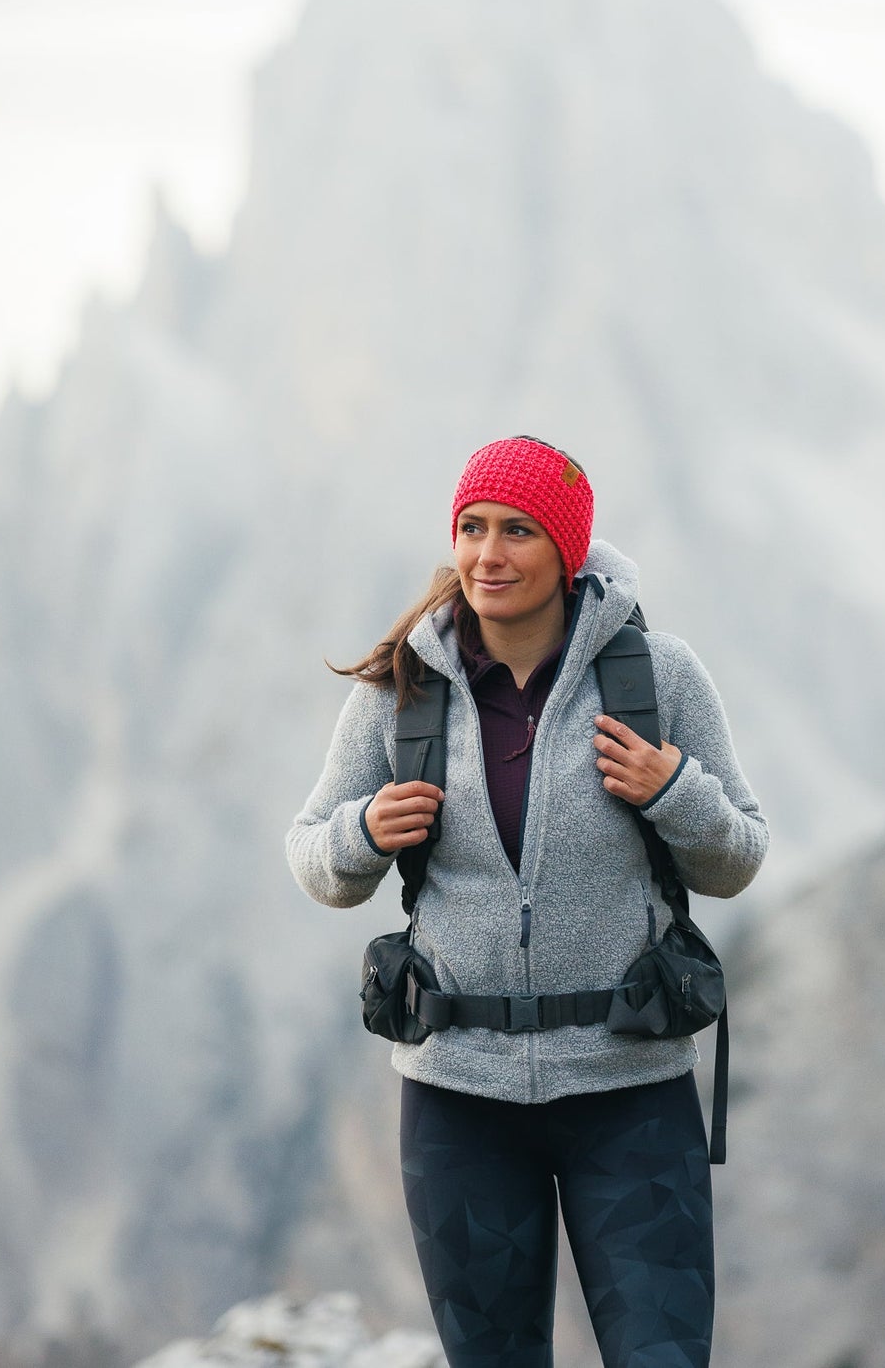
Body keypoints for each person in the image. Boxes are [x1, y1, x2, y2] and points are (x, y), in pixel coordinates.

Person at [286, 436, 769, 1368]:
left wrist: (672, 788)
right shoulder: (402, 693)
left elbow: (737, 856)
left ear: (569, 551)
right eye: (471, 528)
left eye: (518, 530)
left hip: (631, 1091)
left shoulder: (657, 680)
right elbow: (313, 856)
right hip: (459, 1098)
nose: (487, 554)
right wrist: (362, 830)